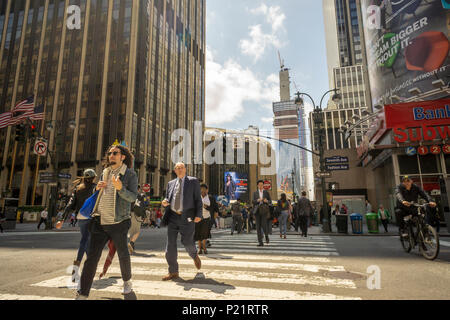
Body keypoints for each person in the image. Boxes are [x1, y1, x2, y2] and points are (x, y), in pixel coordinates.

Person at [76, 144, 138, 300]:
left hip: (119, 221)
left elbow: (132, 197)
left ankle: (127, 282)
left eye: (115, 153)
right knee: (91, 258)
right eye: (109, 153)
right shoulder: (105, 172)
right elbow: (101, 194)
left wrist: (120, 188)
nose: (111, 155)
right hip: (100, 220)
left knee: (123, 254)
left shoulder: (130, 175)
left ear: (122, 156)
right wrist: (97, 188)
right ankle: (82, 293)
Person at [160, 162, 202, 281]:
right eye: (177, 168)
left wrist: (198, 214)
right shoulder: (170, 183)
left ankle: (194, 255)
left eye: (181, 167)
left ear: (185, 169)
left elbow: (198, 200)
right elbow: (168, 198)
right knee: (170, 246)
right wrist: (164, 201)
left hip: (187, 217)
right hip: (173, 217)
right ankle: (173, 271)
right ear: (174, 170)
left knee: (187, 242)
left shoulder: (193, 181)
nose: (179, 169)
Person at [60, 169, 97, 282]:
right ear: (93, 178)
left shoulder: (78, 188)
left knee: (85, 242)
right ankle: (84, 270)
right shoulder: (95, 188)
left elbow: (70, 204)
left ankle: (80, 269)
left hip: (80, 218)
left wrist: (62, 219)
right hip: (91, 218)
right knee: (87, 243)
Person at [195, 184, 216, 254]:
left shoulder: (211, 198)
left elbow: (214, 209)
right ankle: (200, 248)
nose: (202, 191)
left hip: (207, 218)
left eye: (204, 189)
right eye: (201, 189)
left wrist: (206, 207)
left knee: (205, 233)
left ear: (207, 190)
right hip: (198, 218)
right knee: (198, 233)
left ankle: (204, 246)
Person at [252, 180, 272, 247]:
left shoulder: (266, 192)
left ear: (263, 185)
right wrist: (257, 200)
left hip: (264, 210)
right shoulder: (255, 193)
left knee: (264, 225)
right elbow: (253, 201)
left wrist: (267, 201)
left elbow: (270, 202)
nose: (260, 186)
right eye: (259, 185)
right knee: (258, 227)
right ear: (257, 185)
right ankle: (260, 242)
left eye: (262, 185)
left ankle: (266, 236)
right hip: (257, 211)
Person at [128, 185, 146, 255]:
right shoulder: (140, 196)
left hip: (129, 214)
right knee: (137, 231)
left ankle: (131, 248)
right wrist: (144, 216)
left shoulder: (129, 195)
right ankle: (131, 243)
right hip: (137, 214)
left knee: (132, 231)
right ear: (138, 189)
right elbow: (142, 206)